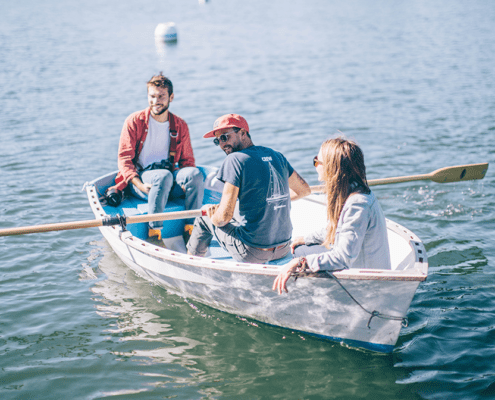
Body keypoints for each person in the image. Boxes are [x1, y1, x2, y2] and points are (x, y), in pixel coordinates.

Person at [186, 114, 311, 264]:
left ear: (243, 133)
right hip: (284, 248)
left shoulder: (234, 159)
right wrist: (269, 200)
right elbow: (304, 190)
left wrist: (213, 217)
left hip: (251, 252)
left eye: (225, 137)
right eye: (217, 140)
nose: (221, 144)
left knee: (204, 214)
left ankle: (191, 264)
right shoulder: (277, 155)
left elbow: (223, 218)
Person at [273, 137, 391, 294]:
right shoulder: (351, 193)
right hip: (357, 269)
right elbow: (336, 230)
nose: (315, 166)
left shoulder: (357, 204)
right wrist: (306, 239)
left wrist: (301, 262)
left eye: (317, 161)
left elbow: (343, 257)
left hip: (365, 284)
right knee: (299, 248)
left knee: (296, 257)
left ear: (331, 167)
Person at [107, 74, 204, 242]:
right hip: (143, 182)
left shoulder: (180, 125)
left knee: (194, 174)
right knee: (163, 176)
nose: (155, 101)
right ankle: (154, 233)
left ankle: (191, 228)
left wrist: (183, 185)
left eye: (161, 96)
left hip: (169, 178)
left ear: (171, 98)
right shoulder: (134, 121)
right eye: (152, 96)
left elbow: (187, 162)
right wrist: (140, 185)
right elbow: (125, 160)